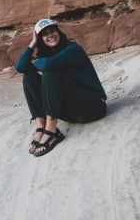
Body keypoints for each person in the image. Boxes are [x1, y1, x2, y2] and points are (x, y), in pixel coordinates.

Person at [14, 19, 107, 157]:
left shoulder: (72, 49)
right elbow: (20, 67)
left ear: (58, 32)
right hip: (72, 112)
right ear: (41, 39)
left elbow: (47, 66)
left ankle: (51, 129)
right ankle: (41, 126)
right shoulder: (46, 59)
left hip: (93, 107)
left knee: (50, 72)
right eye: (44, 34)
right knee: (29, 77)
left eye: (52, 30)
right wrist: (32, 44)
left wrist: (36, 61)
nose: (50, 35)